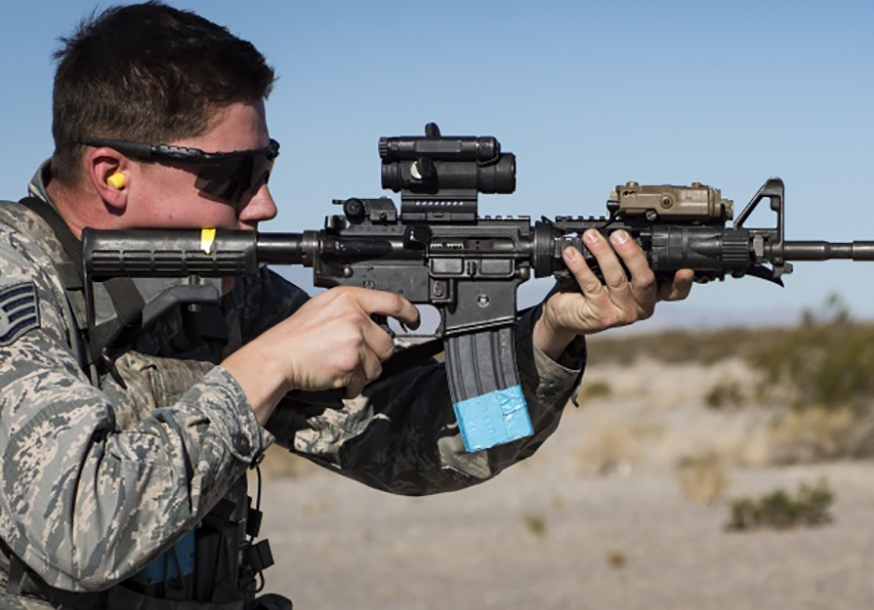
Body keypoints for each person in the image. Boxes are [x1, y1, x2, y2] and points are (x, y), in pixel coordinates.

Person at [0, 3, 694, 609]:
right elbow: (76, 529)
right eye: (234, 175)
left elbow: (409, 447)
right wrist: (265, 367)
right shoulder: (16, 276)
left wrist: (545, 337)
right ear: (112, 174)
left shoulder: (222, 290)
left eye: (267, 166)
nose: (265, 203)